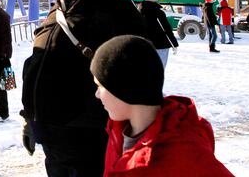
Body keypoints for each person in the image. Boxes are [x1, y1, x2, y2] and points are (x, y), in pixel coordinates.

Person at [20, 0, 148, 176]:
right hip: (51, 135)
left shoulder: (116, 11)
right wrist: (29, 117)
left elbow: (139, 75)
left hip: (89, 137)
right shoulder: (55, 13)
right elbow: (35, 66)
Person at [90, 35, 234, 176]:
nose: (97, 95)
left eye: (100, 86)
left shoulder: (183, 154)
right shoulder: (117, 132)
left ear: (124, 90)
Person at [139, 0, 178, 68]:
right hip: (161, 45)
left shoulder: (139, 13)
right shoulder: (158, 13)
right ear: (155, 0)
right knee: (160, 68)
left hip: (146, 45)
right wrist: (174, 44)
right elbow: (166, 29)